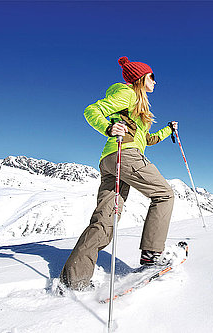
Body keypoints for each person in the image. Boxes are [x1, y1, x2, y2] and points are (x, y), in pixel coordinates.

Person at [60, 56, 176, 291]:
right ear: (141, 78)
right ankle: (151, 255)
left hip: (111, 160)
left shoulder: (136, 109)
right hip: (126, 155)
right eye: (152, 76)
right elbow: (92, 110)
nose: (155, 81)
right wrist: (108, 127)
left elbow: (148, 140)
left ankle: (74, 279)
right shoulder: (128, 94)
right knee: (164, 195)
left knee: (104, 219)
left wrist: (167, 130)